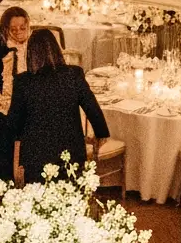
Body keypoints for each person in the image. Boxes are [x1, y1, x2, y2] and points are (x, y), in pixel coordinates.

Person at [7, 28, 109, 187]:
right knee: (72, 195)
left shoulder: (23, 82)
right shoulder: (74, 74)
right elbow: (92, 107)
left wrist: (20, 135)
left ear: (31, 53)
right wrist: (101, 133)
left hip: (36, 154)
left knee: (38, 200)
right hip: (70, 150)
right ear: (56, 49)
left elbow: (14, 122)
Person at [0, 4, 31, 181]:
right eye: (14, 29)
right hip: (4, 104)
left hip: (28, 104)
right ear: (6, 28)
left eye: (23, 28)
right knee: (4, 150)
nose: (19, 32)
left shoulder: (33, 45)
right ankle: (4, 185)